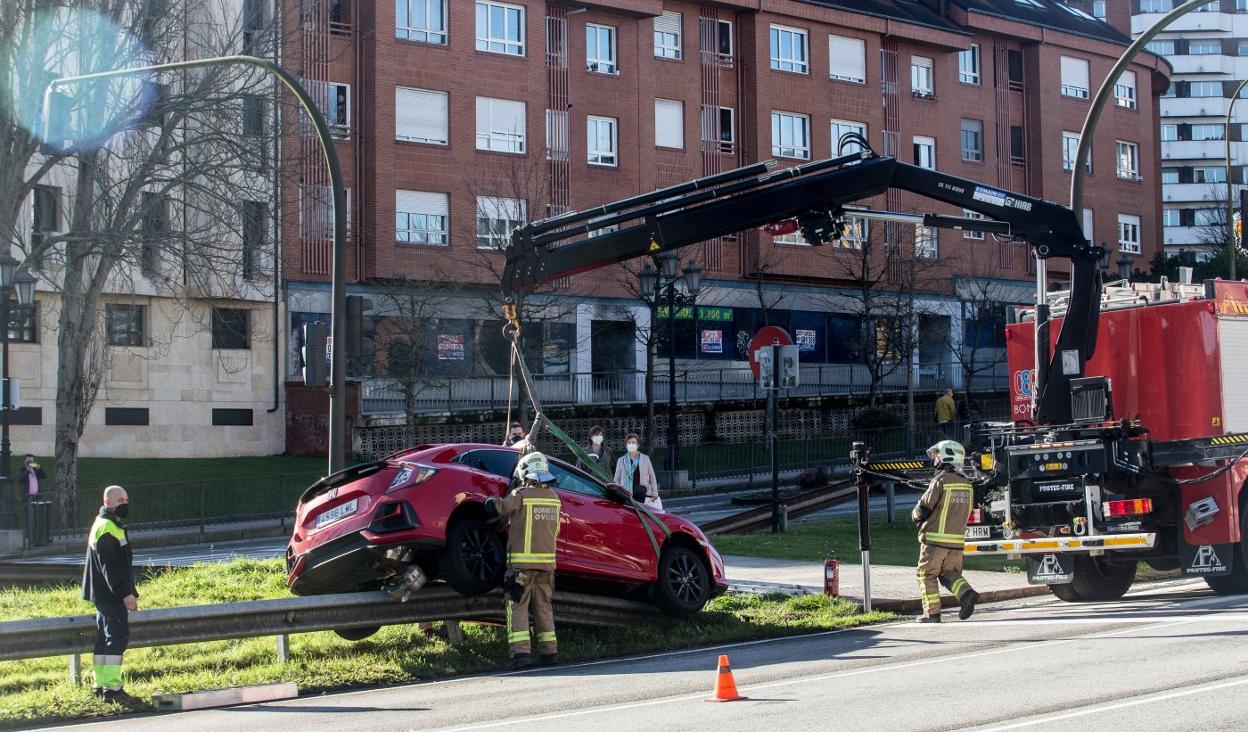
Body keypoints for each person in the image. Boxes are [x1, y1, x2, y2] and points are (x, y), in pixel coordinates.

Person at [485, 451, 563, 670]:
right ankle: (550, 653)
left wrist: (488, 502)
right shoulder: (555, 498)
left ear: (525, 472)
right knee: (543, 608)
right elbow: (554, 530)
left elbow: (499, 507)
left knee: (517, 608)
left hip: (520, 567)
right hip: (547, 568)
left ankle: (520, 655)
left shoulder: (521, 494)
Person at [81, 485, 143, 707]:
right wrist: (125, 593)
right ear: (107, 502)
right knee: (116, 639)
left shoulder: (106, 524)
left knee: (103, 640)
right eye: (119, 500)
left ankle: (100, 686)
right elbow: (111, 568)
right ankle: (112, 689)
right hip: (111, 595)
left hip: (102, 594)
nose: (124, 503)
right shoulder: (108, 528)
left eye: (126, 499)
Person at [912, 440, 979, 624]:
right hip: (956, 543)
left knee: (926, 574)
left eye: (937, 455)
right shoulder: (967, 484)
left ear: (946, 456)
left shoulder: (940, 481)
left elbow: (923, 508)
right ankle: (966, 594)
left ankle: (931, 614)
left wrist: (915, 516)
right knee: (949, 573)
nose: (935, 460)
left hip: (934, 542)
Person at [614, 433, 661, 511]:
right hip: (626, 493)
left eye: (633, 443)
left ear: (638, 445)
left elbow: (652, 477)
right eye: (629, 443)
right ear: (626, 445)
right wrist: (619, 492)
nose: (631, 445)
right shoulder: (621, 460)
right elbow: (616, 479)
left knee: (639, 512)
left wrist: (654, 493)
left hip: (641, 493)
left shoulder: (645, 459)